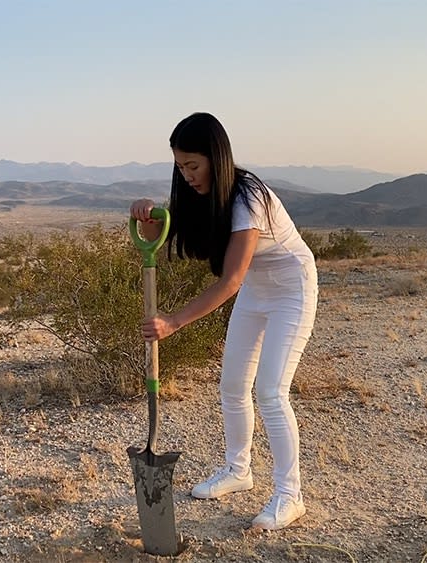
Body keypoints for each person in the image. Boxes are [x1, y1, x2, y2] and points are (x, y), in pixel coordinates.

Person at [129, 112, 318, 530]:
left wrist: (174, 322)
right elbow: (178, 224)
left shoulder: (248, 196)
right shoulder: (204, 193)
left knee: (270, 391)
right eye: (180, 166)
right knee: (232, 385)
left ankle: (291, 496)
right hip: (257, 288)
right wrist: (148, 212)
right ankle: (239, 471)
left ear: (217, 157)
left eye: (193, 165)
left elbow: (230, 280)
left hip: (292, 288)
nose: (188, 175)